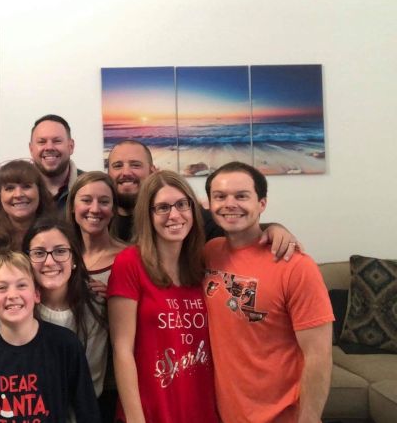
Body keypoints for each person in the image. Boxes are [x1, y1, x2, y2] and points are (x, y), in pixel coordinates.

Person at [203, 162, 333, 422]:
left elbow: (319, 354)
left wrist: (309, 418)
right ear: (210, 204)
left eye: (241, 196)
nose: (230, 204)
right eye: (220, 196)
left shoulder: (296, 265)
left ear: (262, 203)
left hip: (282, 415)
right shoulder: (209, 252)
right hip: (225, 413)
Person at [107, 170, 219, 423]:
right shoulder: (130, 263)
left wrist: (276, 230)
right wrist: (135, 418)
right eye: (163, 208)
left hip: (202, 407)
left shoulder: (204, 263)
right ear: (148, 215)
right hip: (151, 409)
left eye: (182, 204)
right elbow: (122, 350)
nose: (174, 215)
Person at [0, 252, 101, 423]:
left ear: (37, 294)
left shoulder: (65, 345)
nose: (12, 295)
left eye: (21, 285)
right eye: (2, 288)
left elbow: (88, 412)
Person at [0, 217, 108, 397]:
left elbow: (90, 384)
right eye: (39, 253)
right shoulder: (6, 303)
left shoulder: (93, 306)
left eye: (60, 251)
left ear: (74, 258)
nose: (49, 262)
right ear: (27, 259)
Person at [106, 139, 300, 257]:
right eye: (117, 166)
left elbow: (235, 231)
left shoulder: (185, 215)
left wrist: (273, 228)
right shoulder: (101, 217)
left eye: (135, 165)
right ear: (108, 173)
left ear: (153, 171)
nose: (126, 172)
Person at [65, 171, 125, 422]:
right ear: (72, 206)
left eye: (104, 201)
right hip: (65, 383)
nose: (95, 208)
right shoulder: (59, 257)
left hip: (113, 385)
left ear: (114, 209)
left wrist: (117, 304)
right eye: (86, 200)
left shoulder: (130, 257)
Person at [0, 159, 54, 254]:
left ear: (39, 191)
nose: (18, 194)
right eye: (9, 188)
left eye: (26, 186)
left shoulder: (60, 237)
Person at [29, 114, 83, 211]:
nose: (49, 147)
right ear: (31, 149)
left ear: (71, 147)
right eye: (42, 142)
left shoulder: (91, 186)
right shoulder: (16, 191)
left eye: (57, 141)